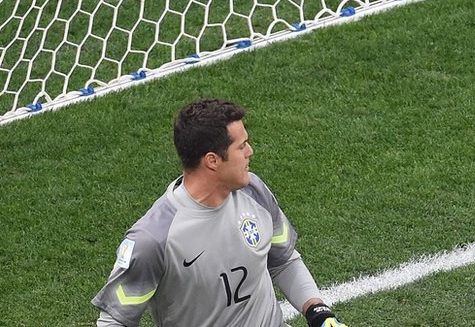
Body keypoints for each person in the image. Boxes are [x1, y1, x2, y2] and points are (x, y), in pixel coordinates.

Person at [92, 98, 347, 327]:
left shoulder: (254, 192)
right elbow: (114, 320)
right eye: (242, 146)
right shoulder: (154, 238)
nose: (250, 152)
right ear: (212, 160)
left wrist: (319, 312)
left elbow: (283, 260)